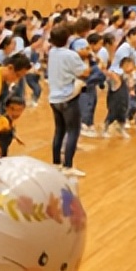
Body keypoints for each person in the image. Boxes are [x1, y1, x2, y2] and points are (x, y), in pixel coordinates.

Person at [46, 25, 88, 177]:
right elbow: (84, 72)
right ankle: (68, 165)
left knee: (59, 130)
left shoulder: (51, 52)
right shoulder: (71, 55)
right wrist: (86, 58)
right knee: (73, 131)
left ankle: (56, 163)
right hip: (68, 97)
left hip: (54, 97)